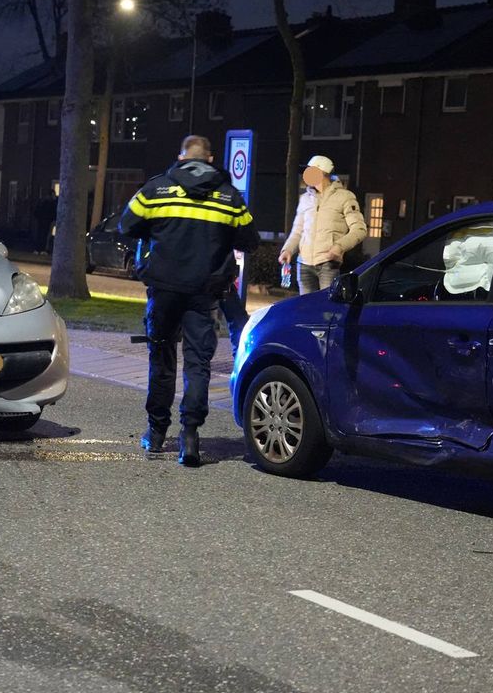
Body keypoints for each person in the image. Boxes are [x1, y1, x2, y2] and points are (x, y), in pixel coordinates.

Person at [120, 135, 259, 467]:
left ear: (180, 157)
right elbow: (250, 240)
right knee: (198, 364)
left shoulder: (156, 189)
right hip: (204, 291)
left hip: (164, 289)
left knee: (162, 358)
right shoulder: (229, 197)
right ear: (209, 159)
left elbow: (127, 224)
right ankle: (190, 436)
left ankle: (156, 433)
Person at [278, 155, 367, 294]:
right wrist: (287, 250)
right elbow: (297, 231)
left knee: (327, 311)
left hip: (328, 263)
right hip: (304, 264)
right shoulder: (305, 199)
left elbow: (360, 229)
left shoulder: (345, 197)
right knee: (306, 310)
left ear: (323, 173)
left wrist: (339, 246)